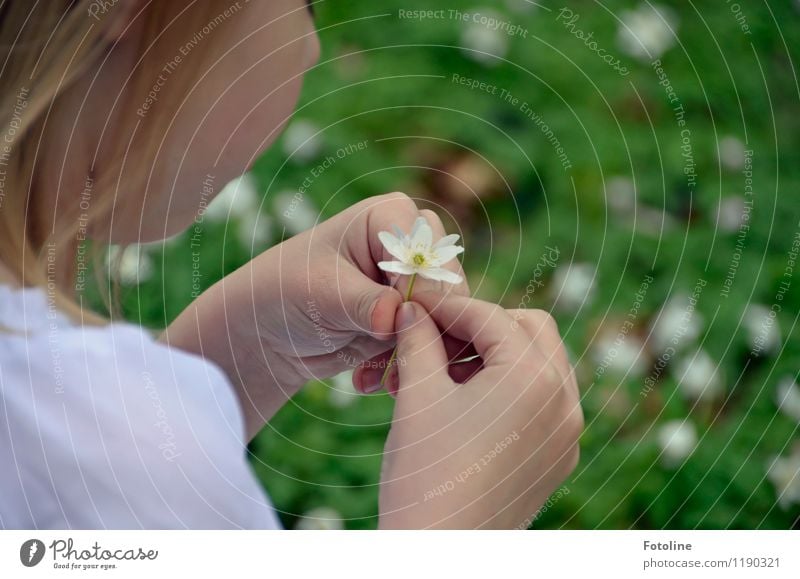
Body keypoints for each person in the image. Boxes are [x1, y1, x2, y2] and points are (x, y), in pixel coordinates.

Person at [0, 0, 582, 529]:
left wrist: (243, 352)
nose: (312, 48)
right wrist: (453, 532)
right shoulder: (101, 459)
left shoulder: (61, 420)